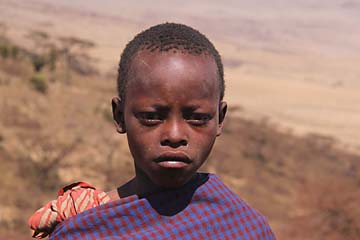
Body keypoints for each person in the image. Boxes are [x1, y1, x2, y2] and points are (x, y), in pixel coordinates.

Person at [29, 22, 276, 239]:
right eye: (151, 117)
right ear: (119, 116)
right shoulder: (85, 229)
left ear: (220, 119)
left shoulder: (246, 229)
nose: (175, 135)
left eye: (198, 118)